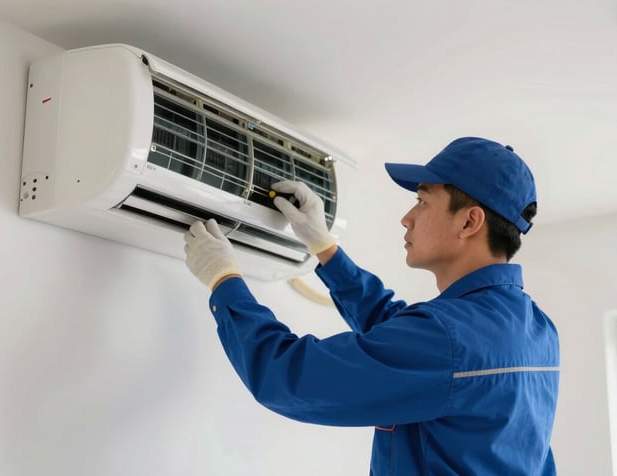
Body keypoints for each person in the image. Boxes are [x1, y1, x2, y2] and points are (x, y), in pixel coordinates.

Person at [183, 136, 560, 475]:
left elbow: (288, 379)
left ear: (469, 222)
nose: (407, 218)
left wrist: (225, 281)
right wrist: (325, 248)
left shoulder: (448, 339)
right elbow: (403, 338)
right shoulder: (538, 331)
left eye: (422, 200)